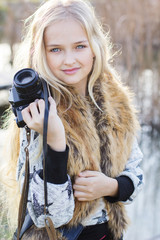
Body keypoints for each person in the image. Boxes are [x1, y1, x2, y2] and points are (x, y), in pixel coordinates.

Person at [0, 0, 144, 239]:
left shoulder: (114, 98)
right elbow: (49, 216)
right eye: (55, 49)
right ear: (40, 52)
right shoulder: (38, 110)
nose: (69, 60)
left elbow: (135, 173)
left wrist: (111, 186)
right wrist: (55, 141)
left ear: (95, 45)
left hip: (108, 234)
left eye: (79, 46)